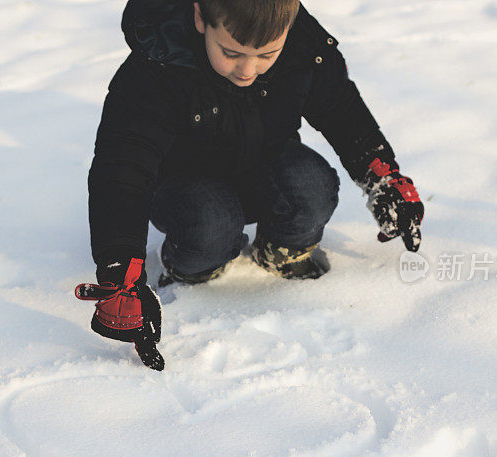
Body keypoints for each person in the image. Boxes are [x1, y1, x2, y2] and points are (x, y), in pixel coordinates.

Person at [75, 0, 424, 370]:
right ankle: (195, 268)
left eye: (267, 55)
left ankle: (280, 253)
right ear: (200, 17)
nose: (248, 70)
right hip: (186, 188)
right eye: (231, 53)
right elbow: (123, 169)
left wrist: (384, 178)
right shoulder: (158, 63)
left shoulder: (304, 48)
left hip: (264, 163)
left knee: (312, 185)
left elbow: (342, 110)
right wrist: (120, 274)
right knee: (212, 223)